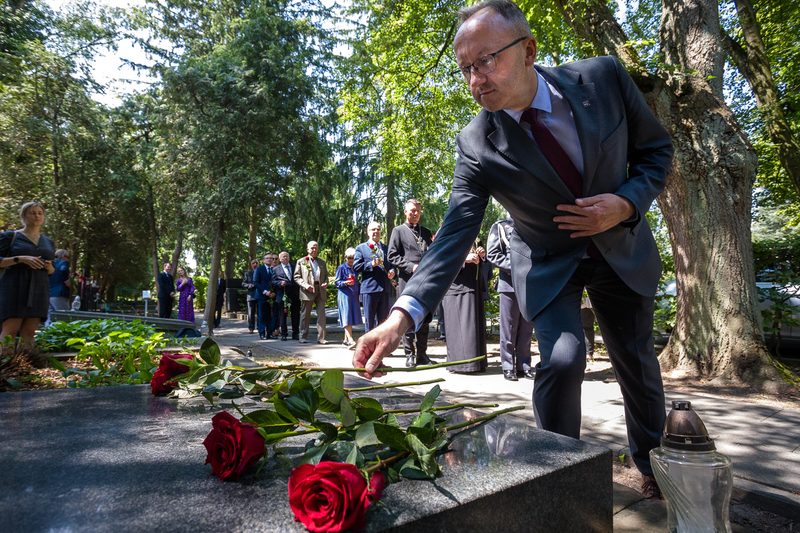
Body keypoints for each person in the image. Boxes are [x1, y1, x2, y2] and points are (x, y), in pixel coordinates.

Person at [353, 0, 673, 501]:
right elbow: (456, 232)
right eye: (465, 69)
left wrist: (626, 205)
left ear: (528, 49)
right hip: (548, 261)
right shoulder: (477, 143)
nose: (475, 79)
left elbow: (657, 152)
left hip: (621, 249)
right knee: (564, 359)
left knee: (637, 361)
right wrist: (400, 318)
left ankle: (654, 463)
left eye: (486, 61)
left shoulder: (604, 79)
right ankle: (556, 471)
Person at [0, 202, 55, 347]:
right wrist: (20, 259)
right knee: (10, 330)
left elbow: (52, 270)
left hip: (39, 288)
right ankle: (5, 366)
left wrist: (49, 267)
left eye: (40, 213)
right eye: (32, 213)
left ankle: (26, 366)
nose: (37, 216)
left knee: (30, 332)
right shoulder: (9, 237)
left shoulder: (48, 241)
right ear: (24, 216)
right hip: (14, 286)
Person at [487, 218, 535, 381]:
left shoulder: (530, 223)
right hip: (509, 284)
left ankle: (524, 365)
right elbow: (493, 254)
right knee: (509, 327)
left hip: (528, 283)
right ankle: (508, 366)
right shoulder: (500, 226)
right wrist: (517, 267)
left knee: (526, 328)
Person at [387, 199, 433, 367]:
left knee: (424, 317)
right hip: (407, 279)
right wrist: (411, 267)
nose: (415, 213)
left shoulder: (426, 232)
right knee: (407, 316)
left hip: (425, 280)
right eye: (412, 210)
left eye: (418, 211)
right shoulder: (398, 231)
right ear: (405, 211)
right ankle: (409, 354)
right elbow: (392, 256)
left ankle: (422, 354)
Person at [441, 242, 487, 373]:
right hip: (457, 286)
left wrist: (482, 256)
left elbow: (482, 259)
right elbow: (442, 256)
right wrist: (464, 259)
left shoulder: (473, 234)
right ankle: (461, 365)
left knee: (474, 327)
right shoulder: (448, 231)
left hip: (474, 285)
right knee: (461, 328)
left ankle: (476, 363)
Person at [353, 221, 396, 334]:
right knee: (370, 321)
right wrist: (370, 265)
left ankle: (382, 349)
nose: (376, 231)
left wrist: (393, 271)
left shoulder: (386, 248)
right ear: (368, 232)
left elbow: (392, 264)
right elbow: (356, 267)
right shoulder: (361, 248)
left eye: (378, 229)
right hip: (369, 289)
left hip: (385, 289)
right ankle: (369, 349)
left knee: (383, 322)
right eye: (373, 229)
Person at [294, 241, 328, 344]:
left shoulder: (322, 262)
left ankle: (321, 338)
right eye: (312, 248)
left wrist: (325, 283)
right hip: (307, 291)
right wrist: (305, 285)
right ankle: (303, 336)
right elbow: (296, 277)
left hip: (320, 290)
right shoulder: (301, 261)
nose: (314, 250)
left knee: (321, 314)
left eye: (316, 248)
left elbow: (326, 276)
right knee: (305, 315)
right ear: (307, 249)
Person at [335, 248, 362, 346]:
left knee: (351, 316)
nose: (351, 260)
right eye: (349, 258)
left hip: (354, 295)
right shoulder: (341, 268)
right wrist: (345, 282)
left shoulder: (357, 268)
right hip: (344, 294)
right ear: (345, 257)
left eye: (353, 258)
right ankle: (350, 340)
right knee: (347, 316)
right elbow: (337, 282)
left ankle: (345, 340)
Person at [273, 251, 300, 341]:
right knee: (283, 314)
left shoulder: (295, 267)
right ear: (280, 259)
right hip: (283, 294)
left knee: (295, 314)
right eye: (283, 257)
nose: (285, 258)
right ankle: (284, 333)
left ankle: (295, 333)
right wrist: (279, 283)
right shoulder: (276, 269)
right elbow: (272, 282)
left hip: (295, 294)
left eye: (287, 256)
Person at [254, 254, 277, 340]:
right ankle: (262, 333)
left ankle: (270, 333)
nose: (269, 260)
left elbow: (275, 282)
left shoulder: (274, 270)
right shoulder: (259, 269)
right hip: (261, 296)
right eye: (267, 258)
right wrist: (265, 292)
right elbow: (256, 282)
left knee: (270, 315)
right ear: (263, 260)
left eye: (271, 258)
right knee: (262, 315)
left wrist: (274, 293)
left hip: (272, 296)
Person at [47, 249, 71, 326]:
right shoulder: (63, 263)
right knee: (63, 316)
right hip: (59, 293)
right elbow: (63, 269)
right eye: (68, 257)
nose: (67, 259)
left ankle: (47, 333)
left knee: (50, 316)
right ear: (63, 256)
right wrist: (66, 279)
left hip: (49, 293)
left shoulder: (50, 264)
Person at [242, 259, 259, 334]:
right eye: (253, 263)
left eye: (256, 263)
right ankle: (251, 328)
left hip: (259, 295)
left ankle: (259, 327)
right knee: (251, 313)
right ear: (251, 265)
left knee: (260, 313)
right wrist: (250, 285)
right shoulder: (248, 273)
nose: (255, 264)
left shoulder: (261, 272)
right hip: (251, 295)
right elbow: (243, 284)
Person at [269, 253, 282, 337]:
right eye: (272, 258)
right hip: (267, 294)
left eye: (276, 258)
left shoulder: (280, 269)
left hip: (277, 294)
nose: (274, 260)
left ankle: (276, 329)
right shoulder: (267, 269)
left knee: (276, 313)